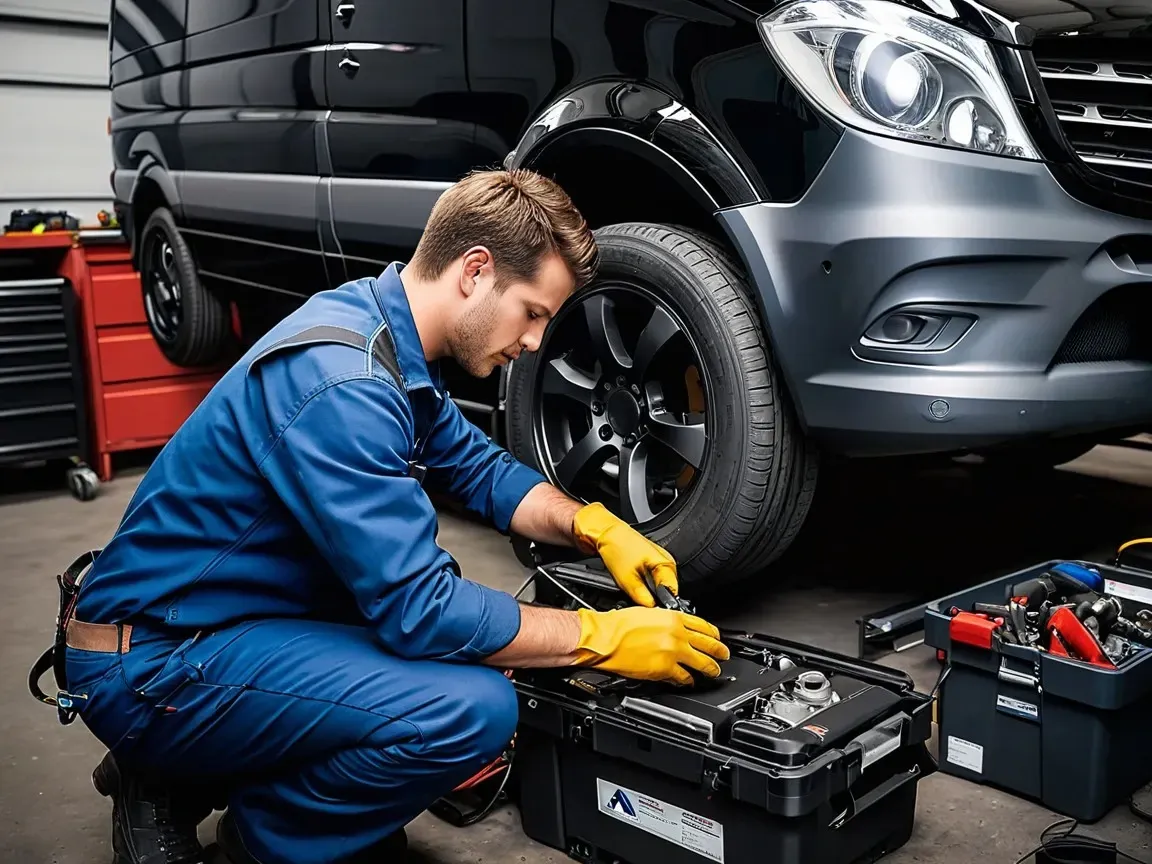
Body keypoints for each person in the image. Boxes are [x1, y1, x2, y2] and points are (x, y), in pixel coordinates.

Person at [60, 168, 730, 864]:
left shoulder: (381, 329)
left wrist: (592, 524)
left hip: (220, 621)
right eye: (533, 312)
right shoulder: (344, 384)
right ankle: (260, 834)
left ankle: (190, 768)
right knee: (470, 707)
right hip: (153, 663)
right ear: (475, 271)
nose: (535, 342)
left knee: (464, 648)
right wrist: (600, 636)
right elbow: (423, 612)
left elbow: (480, 470)